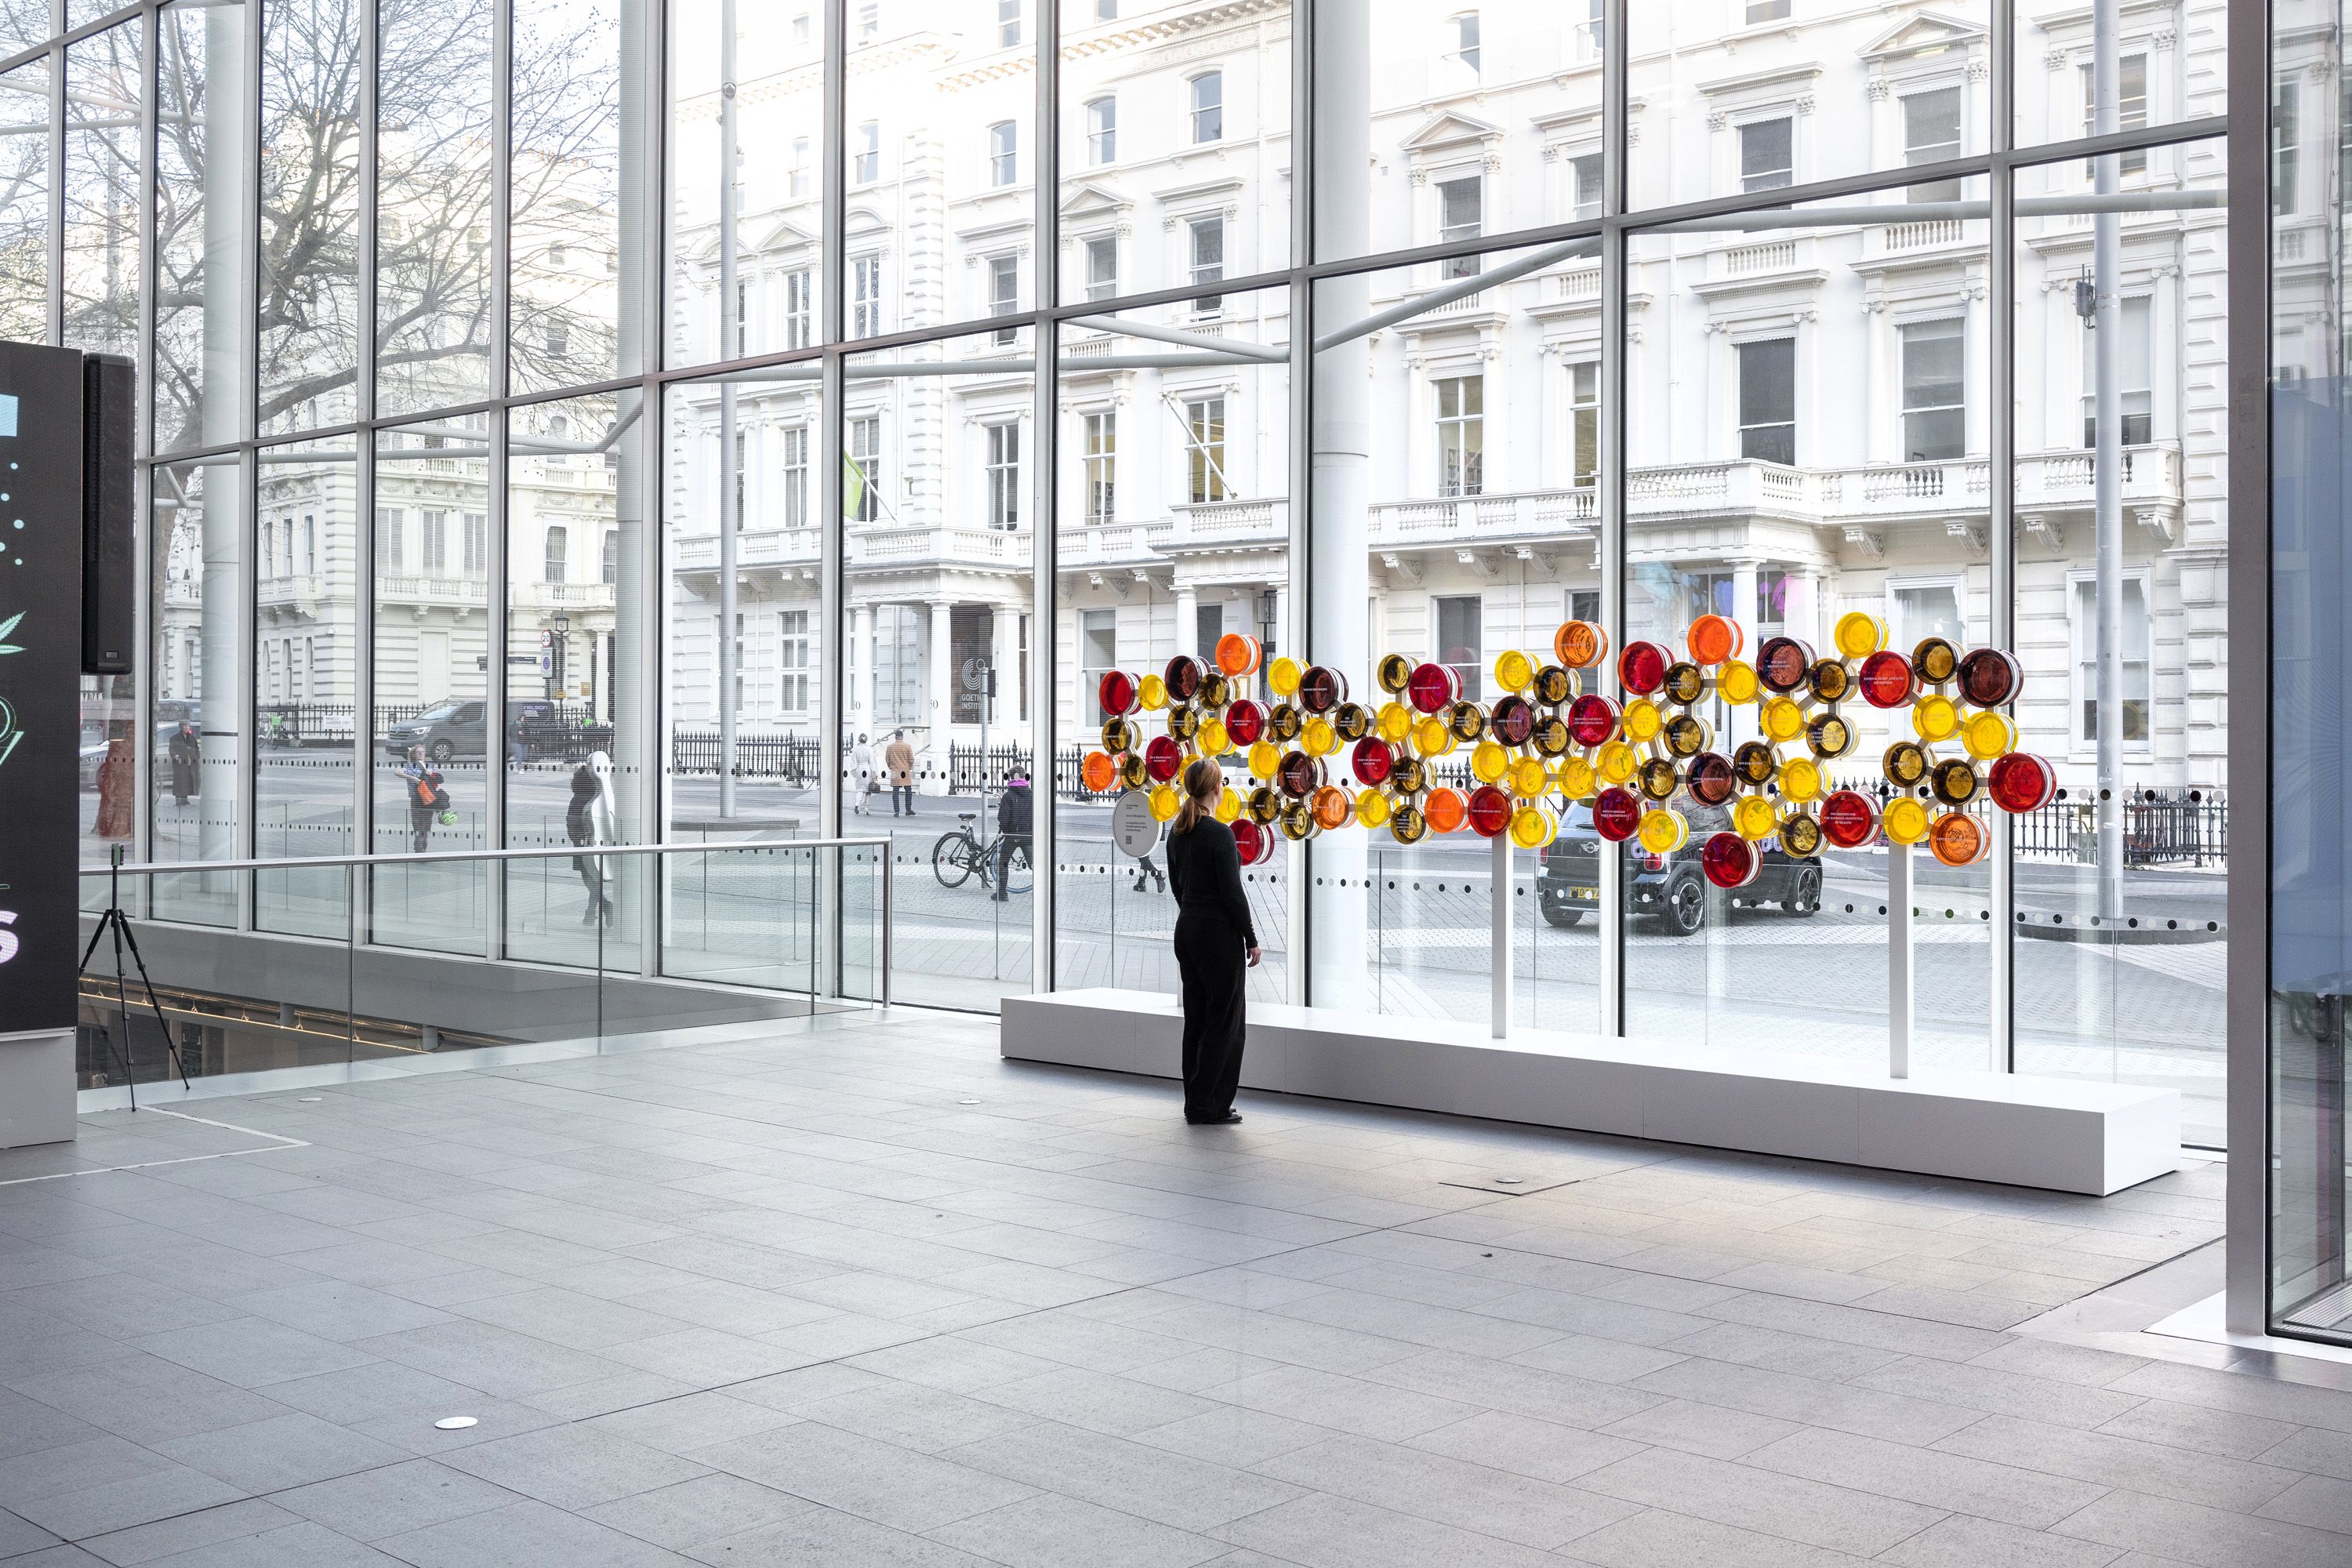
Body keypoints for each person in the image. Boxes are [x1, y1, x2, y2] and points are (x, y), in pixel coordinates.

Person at [1166, 757, 1258, 1125]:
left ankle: (1195, 1100)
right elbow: (1233, 894)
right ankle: (1210, 1106)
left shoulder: (1177, 832)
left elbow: (1177, 887)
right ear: (1217, 787)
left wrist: (1193, 915)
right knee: (1226, 1024)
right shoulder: (1219, 834)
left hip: (1187, 930)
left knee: (1198, 1021)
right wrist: (1250, 937)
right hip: (1219, 937)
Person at [567, 753, 617, 926]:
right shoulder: (600, 798)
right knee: (593, 882)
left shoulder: (578, 799)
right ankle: (601, 910)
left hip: (583, 845)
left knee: (591, 882)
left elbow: (571, 824)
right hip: (593, 843)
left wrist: (577, 839)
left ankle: (598, 911)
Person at [991, 770, 1032, 902]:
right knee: (1034, 864)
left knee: (1003, 863)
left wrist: (1006, 831)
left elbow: (1002, 818)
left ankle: (1002, 893)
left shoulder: (1008, 796)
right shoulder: (1032, 795)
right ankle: (1043, 892)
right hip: (1028, 836)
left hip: (1012, 836)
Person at [401, 746, 447, 853]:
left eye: (423, 752)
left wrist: (429, 773)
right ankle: (419, 849)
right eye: (418, 752)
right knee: (418, 825)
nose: (421, 754)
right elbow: (398, 772)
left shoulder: (429, 766)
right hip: (416, 800)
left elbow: (438, 780)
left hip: (428, 800)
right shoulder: (410, 767)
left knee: (426, 825)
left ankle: (422, 848)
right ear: (414, 754)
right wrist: (413, 778)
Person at [884, 729, 916, 817]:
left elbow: (887, 759)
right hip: (905, 770)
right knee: (908, 791)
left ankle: (897, 811)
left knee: (895, 792)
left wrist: (891, 767)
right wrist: (908, 767)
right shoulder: (907, 746)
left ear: (895, 737)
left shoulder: (890, 747)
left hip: (895, 771)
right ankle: (908, 810)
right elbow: (911, 759)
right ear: (902, 737)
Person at [167, 722, 199, 807]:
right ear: (181, 727)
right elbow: (171, 749)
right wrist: (175, 755)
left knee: (187, 781)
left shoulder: (192, 738)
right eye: (184, 726)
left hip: (189, 763)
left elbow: (196, 749)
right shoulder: (175, 738)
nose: (186, 728)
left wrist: (196, 757)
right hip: (180, 763)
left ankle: (185, 799)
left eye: (188, 726)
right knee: (179, 781)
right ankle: (178, 799)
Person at [850, 732, 875, 815]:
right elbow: (872, 762)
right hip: (868, 769)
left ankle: (857, 804)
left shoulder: (855, 749)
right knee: (868, 790)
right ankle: (867, 808)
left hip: (859, 769)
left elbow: (853, 763)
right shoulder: (870, 749)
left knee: (860, 790)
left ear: (859, 740)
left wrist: (854, 772)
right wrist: (874, 774)